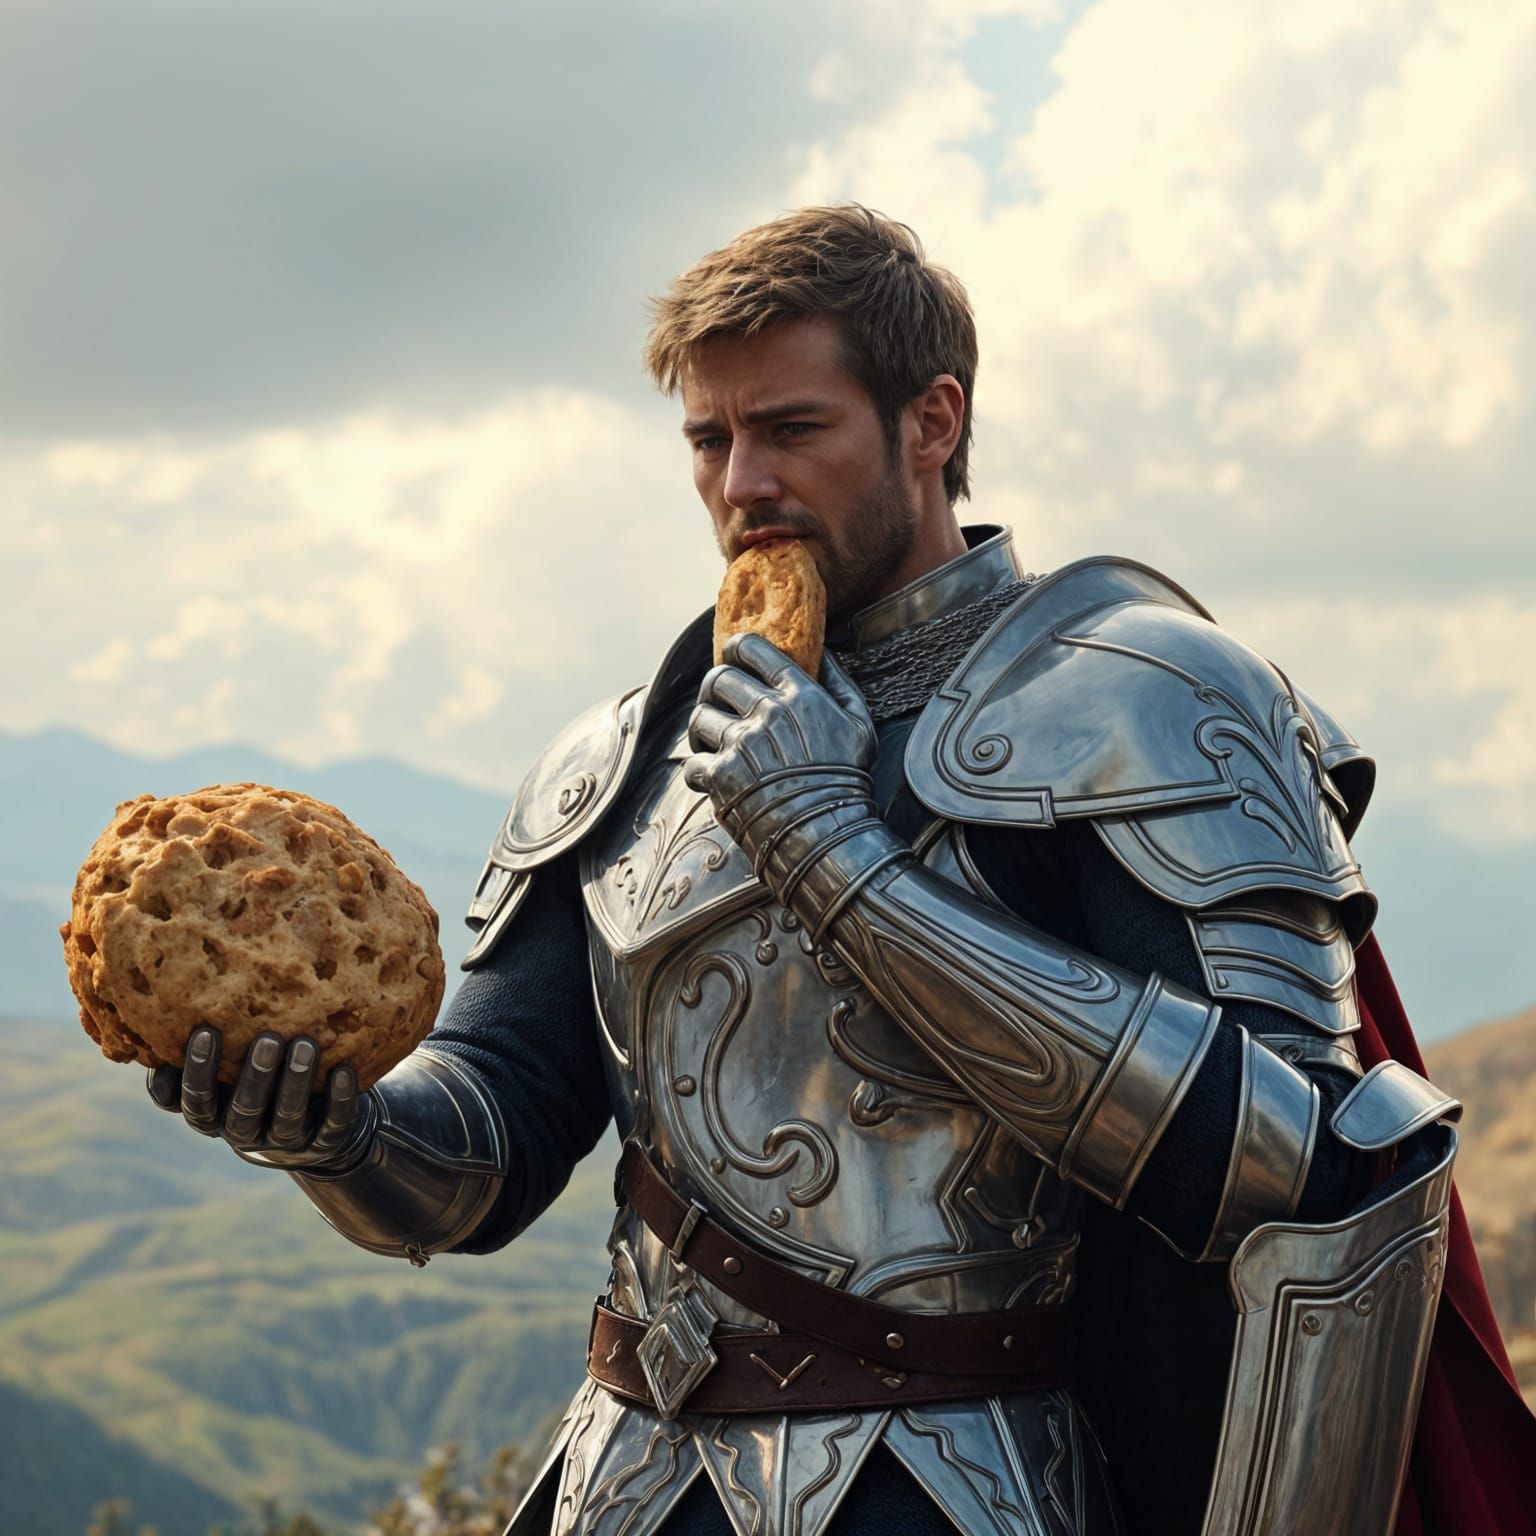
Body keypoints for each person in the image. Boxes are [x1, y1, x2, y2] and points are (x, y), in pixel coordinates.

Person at [147, 206, 1532, 1536]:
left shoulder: (1140, 699)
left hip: (965, 1484)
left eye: (791, 429)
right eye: (710, 438)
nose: (742, 483)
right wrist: (337, 1133)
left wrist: (835, 849)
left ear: (933, 422)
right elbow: (494, 1137)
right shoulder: (625, 757)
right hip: (625, 1479)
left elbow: (1296, 1161)